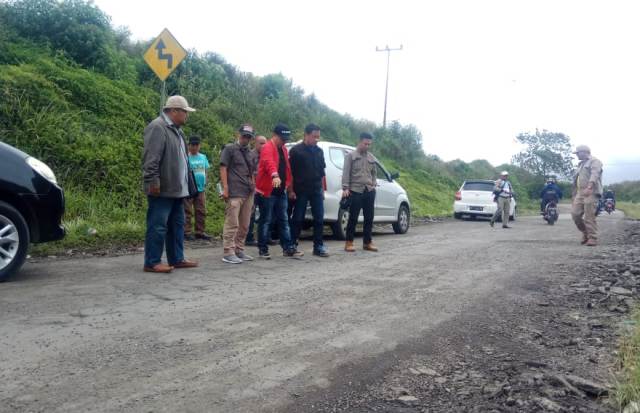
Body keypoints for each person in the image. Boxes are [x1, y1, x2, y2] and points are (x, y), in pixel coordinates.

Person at [142, 95, 199, 273]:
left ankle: (177, 258)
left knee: (177, 225)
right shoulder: (158, 127)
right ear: (173, 111)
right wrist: (153, 181)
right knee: (158, 226)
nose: (186, 116)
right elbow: (150, 159)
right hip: (162, 189)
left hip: (177, 190)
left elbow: (183, 161)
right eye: (184, 112)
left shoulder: (178, 131)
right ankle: (152, 262)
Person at [255, 123, 302, 259]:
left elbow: (287, 168)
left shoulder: (284, 149)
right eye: (282, 138)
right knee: (266, 220)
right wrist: (274, 175)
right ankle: (263, 249)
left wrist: (288, 185)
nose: (284, 141)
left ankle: (288, 248)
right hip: (267, 190)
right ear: (275, 135)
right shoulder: (267, 147)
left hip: (280, 191)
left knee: (283, 220)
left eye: (286, 139)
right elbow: (268, 162)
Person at [289, 123, 328, 257]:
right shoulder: (296, 151)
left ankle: (318, 246)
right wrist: (291, 190)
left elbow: (322, 172)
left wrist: (322, 190)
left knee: (319, 218)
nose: (316, 139)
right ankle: (292, 244)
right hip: (301, 189)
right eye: (314, 136)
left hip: (316, 189)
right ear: (306, 135)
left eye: (318, 137)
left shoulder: (319, 151)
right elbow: (291, 174)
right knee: (298, 218)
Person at [219, 124, 256, 264]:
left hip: (248, 191)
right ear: (238, 134)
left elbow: (252, 171)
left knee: (245, 224)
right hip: (234, 191)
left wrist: (254, 186)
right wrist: (225, 188)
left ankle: (239, 249)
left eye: (248, 136)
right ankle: (228, 251)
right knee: (232, 222)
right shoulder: (229, 149)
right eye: (244, 135)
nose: (246, 138)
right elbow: (223, 168)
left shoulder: (250, 153)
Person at [342, 132, 378, 252]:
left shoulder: (371, 157)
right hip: (355, 191)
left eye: (369, 144)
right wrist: (345, 188)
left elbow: (374, 173)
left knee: (369, 218)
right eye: (365, 144)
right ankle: (349, 242)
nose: (367, 146)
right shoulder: (350, 156)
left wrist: (373, 184)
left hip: (369, 191)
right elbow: (346, 173)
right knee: (353, 218)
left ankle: (367, 242)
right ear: (360, 141)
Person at [571, 145, 603, 246]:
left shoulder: (595, 161)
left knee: (589, 215)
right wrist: (574, 194)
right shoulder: (580, 164)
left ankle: (592, 237)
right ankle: (585, 232)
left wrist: (590, 186)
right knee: (575, 214)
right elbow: (576, 180)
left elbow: (595, 174)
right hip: (580, 192)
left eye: (577, 153)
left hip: (591, 191)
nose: (577, 156)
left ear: (584, 152)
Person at [183, 135, 211, 241]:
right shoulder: (186, 157)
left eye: (196, 145)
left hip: (201, 189)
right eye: (192, 145)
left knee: (201, 210)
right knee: (187, 210)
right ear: (189, 145)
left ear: (199, 146)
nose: (194, 147)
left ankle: (200, 232)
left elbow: (206, 170)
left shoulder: (203, 157)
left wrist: (205, 182)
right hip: (189, 188)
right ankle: (187, 232)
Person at [245, 135, 267, 247]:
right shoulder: (250, 155)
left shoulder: (266, 156)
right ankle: (248, 237)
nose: (263, 146)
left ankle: (264, 237)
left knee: (265, 214)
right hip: (253, 189)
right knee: (251, 213)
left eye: (265, 143)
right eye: (261, 143)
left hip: (264, 189)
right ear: (255, 143)